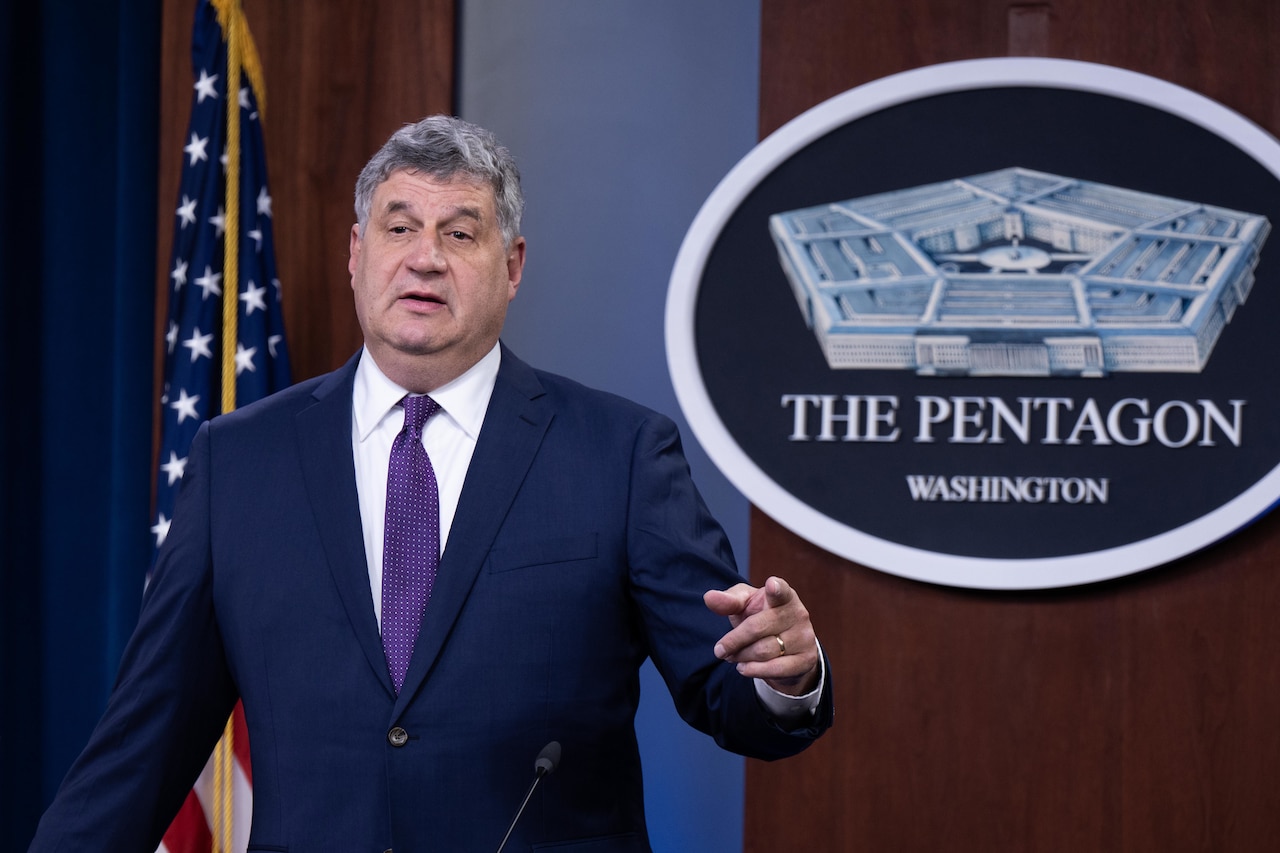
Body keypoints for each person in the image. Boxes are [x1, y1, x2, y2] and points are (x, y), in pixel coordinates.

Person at [29, 115, 832, 852]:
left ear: (512, 266)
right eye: (400, 226)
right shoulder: (239, 463)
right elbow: (143, 744)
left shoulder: (619, 453)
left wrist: (787, 672)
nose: (425, 256)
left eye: (460, 231)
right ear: (356, 253)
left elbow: (728, 687)